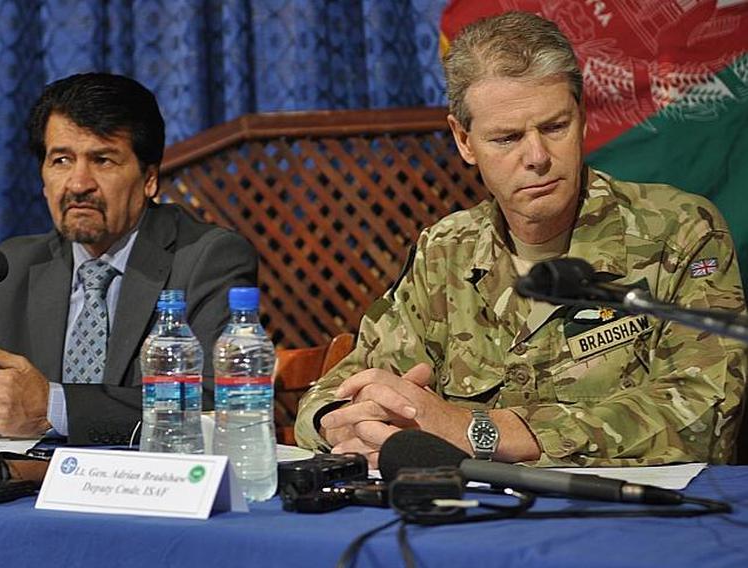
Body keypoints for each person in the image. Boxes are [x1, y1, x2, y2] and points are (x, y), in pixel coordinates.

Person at [294, 11, 747, 467]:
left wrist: (479, 431)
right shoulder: (447, 250)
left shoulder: (680, 231)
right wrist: (346, 419)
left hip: (627, 521)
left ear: (583, 117)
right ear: (464, 141)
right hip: (476, 518)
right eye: (507, 138)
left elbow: (701, 412)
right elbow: (341, 386)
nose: (537, 158)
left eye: (554, 127)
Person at [0, 73, 258, 444]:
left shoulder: (208, 258)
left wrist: (54, 407)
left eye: (103, 160)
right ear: (44, 179)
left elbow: (217, 403)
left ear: (149, 179)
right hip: (25, 491)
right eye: (61, 160)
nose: (78, 183)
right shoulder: (15, 266)